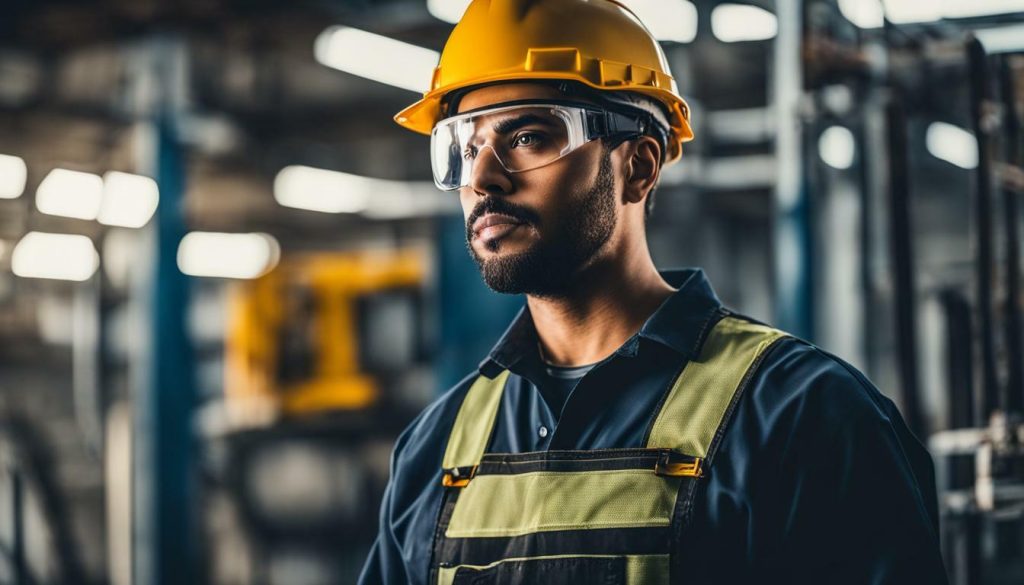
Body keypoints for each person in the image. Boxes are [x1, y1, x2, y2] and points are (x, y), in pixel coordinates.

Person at [359, 1, 949, 583]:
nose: (483, 177)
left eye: (530, 137)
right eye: (463, 148)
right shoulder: (433, 451)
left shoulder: (803, 417)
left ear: (638, 167)